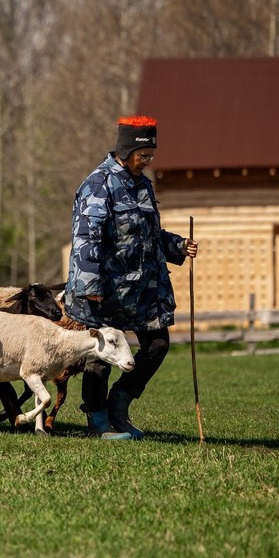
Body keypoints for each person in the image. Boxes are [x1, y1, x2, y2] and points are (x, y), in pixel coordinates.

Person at [64, 115, 199, 440]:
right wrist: (89, 286)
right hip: (105, 290)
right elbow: (86, 239)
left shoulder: (142, 184)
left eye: (151, 154)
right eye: (143, 154)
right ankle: (98, 423)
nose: (148, 160)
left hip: (142, 291)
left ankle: (118, 407)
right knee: (100, 356)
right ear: (126, 151)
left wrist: (178, 246)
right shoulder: (98, 185)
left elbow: (147, 235)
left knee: (157, 344)